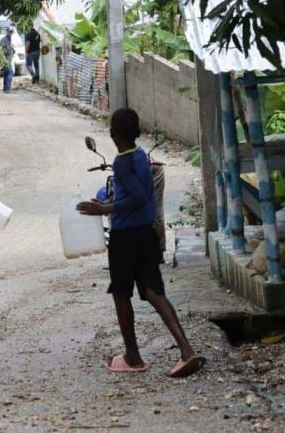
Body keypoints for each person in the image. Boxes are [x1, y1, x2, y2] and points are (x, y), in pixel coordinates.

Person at [77, 108, 204, 377]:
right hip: (146, 234)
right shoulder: (142, 156)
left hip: (126, 237)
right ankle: (186, 350)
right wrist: (109, 203)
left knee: (121, 294)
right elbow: (138, 197)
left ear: (113, 134)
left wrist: (104, 210)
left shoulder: (122, 162)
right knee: (153, 291)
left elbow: (136, 198)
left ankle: (133, 357)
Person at [0, 27, 15, 93]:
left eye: (12, 32)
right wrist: (10, 48)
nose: (11, 33)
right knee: (10, 72)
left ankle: (5, 88)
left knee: (6, 73)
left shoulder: (9, 38)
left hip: (7, 58)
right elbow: (2, 49)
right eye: (10, 31)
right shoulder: (4, 39)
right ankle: (7, 89)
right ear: (7, 31)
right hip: (5, 58)